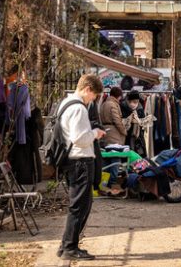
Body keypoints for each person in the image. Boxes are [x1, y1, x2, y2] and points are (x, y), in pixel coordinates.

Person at [57, 74, 106, 260]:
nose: (93, 100)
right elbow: (80, 138)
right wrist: (95, 133)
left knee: (78, 205)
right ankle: (70, 247)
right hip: (80, 162)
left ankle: (66, 245)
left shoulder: (66, 103)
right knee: (80, 206)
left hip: (73, 161)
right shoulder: (78, 108)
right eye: (94, 96)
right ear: (87, 89)